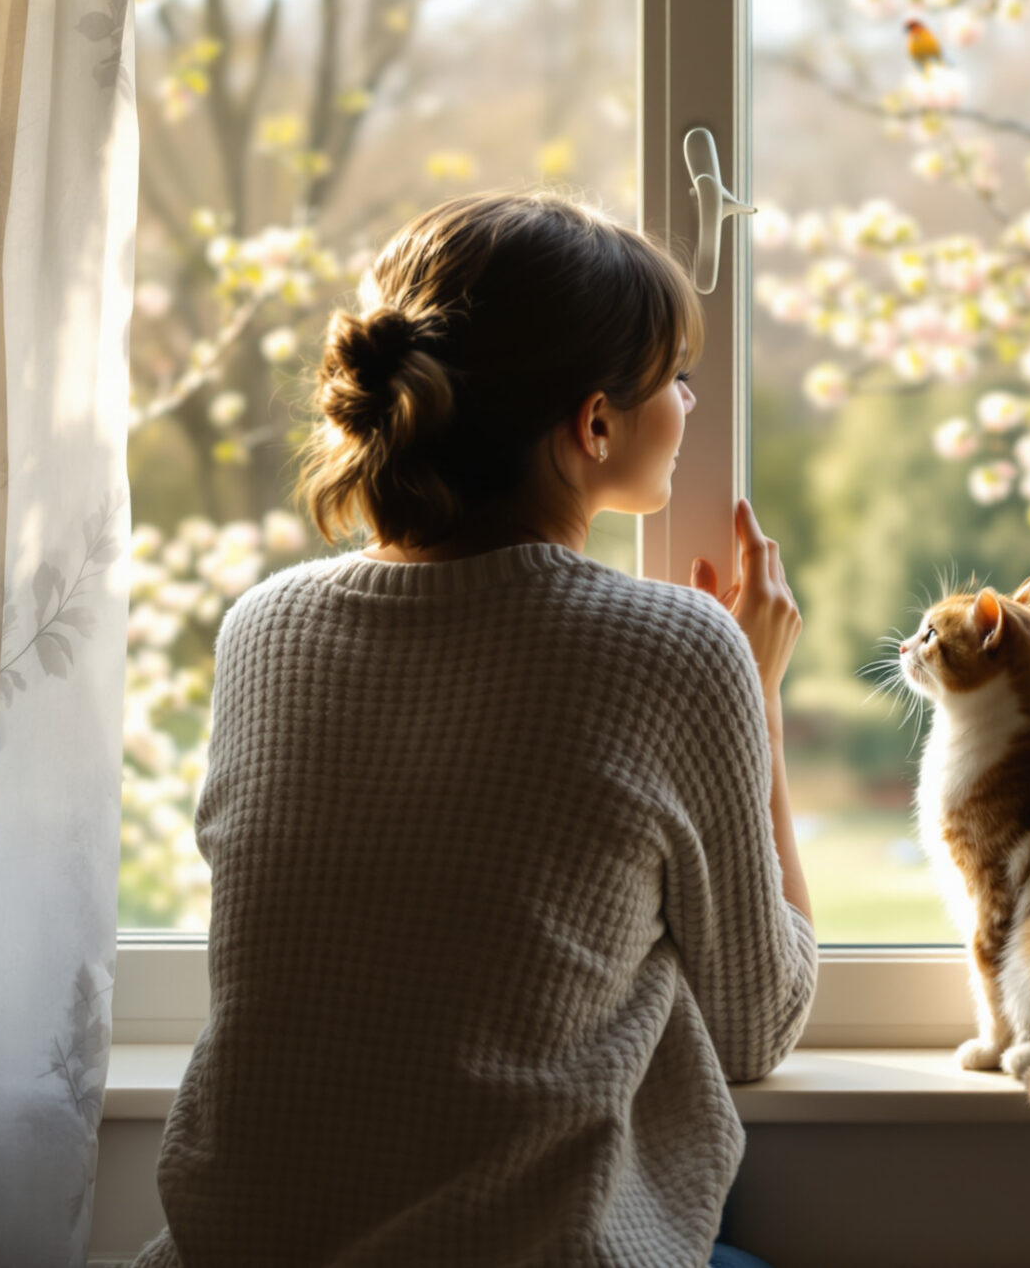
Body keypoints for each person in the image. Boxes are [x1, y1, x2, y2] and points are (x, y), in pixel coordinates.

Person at [134, 190, 818, 1268]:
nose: (691, 400)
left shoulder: (262, 627)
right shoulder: (676, 647)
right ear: (594, 425)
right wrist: (761, 710)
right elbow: (755, 1025)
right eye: (675, 378)